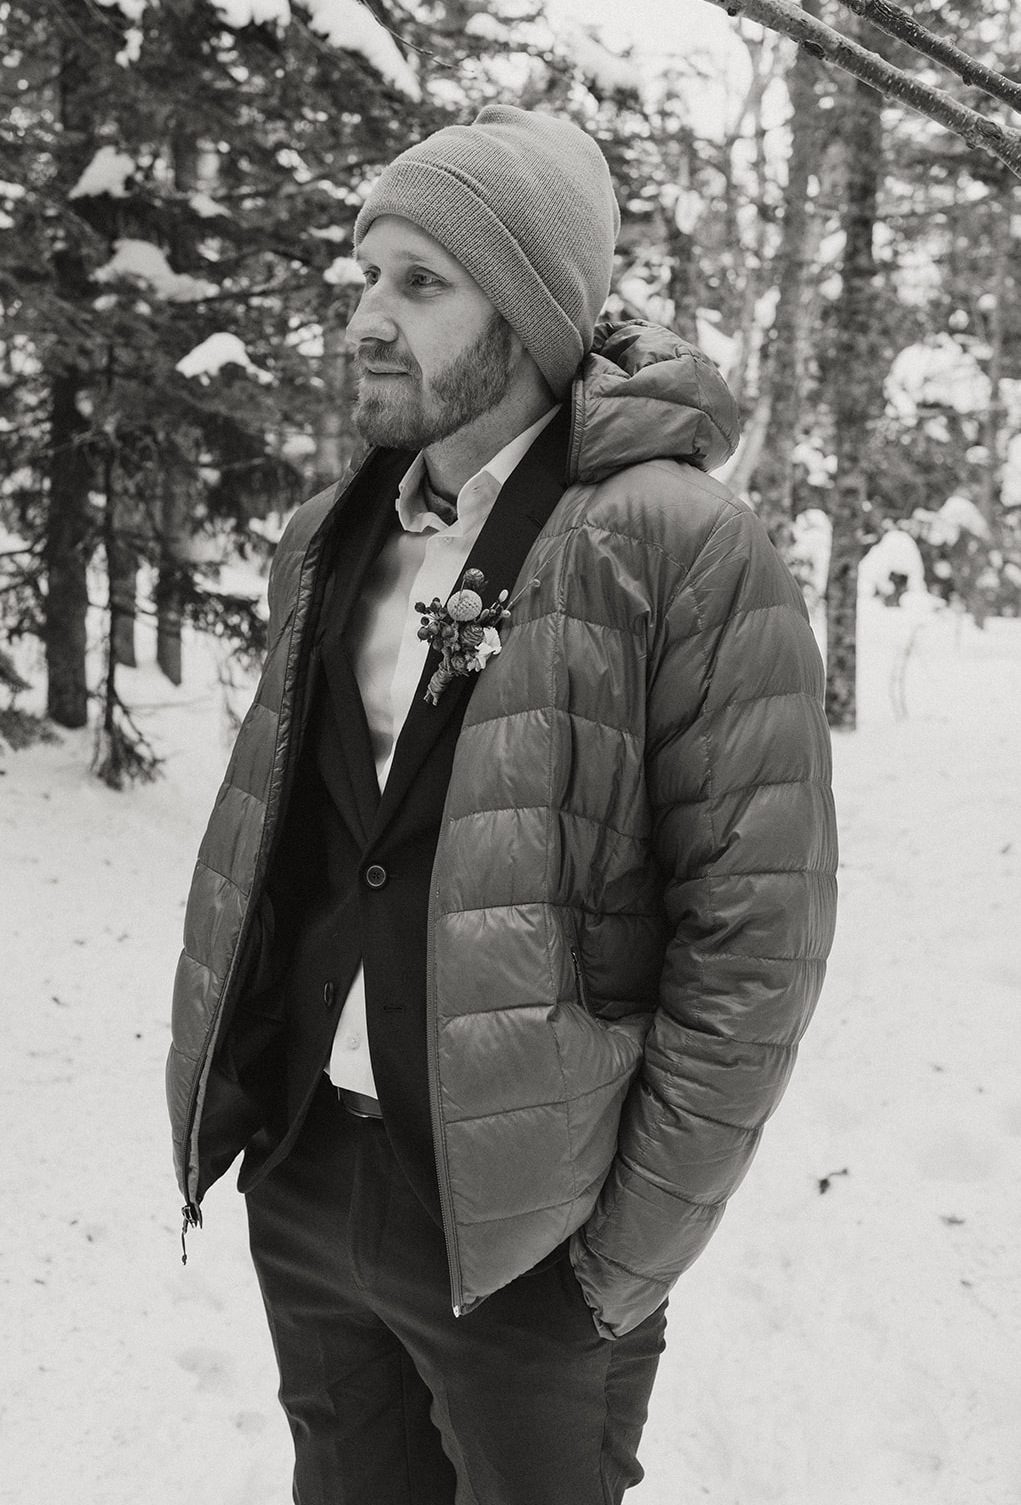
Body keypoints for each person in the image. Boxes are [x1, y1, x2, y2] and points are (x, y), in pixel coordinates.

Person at [166, 105, 838, 1505]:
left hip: (532, 1234)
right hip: (309, 1182)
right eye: (363, 275)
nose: (365, 315)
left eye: (420, 284)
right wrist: (255, 1132)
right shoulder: (329, 529)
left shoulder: (678, 545)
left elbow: (755, 936)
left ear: (526, 315)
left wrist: (619, 1258)